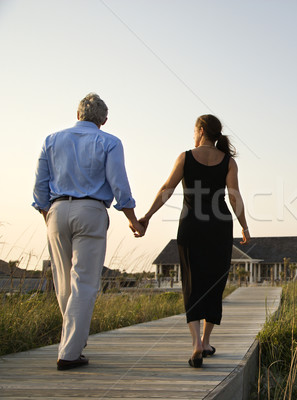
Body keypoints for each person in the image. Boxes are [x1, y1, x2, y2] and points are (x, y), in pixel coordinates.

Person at [32, 93, 145, 370]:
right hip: (91, 211)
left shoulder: (51, 140)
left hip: (57, 211)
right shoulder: (109, 142)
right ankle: (70, 353)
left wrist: (49, 216)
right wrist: (132, 219)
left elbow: (39, 187)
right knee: (84, 282)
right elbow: (119, 184)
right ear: (104, 120)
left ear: (78, 114)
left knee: (63, 281)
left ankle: (74, 340)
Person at [139, 114, 250, 368]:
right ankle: (206, 340)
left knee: (192, 281)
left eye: (194, 130)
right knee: (214, 282)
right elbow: (234, 198)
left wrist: (147, 216)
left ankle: (196, 344)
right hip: (219, 227)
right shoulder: (229, 162)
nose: (193, 135)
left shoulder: (185, 157)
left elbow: (166, 188)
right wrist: (244, 225)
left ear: (201, 130)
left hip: (190, 226)